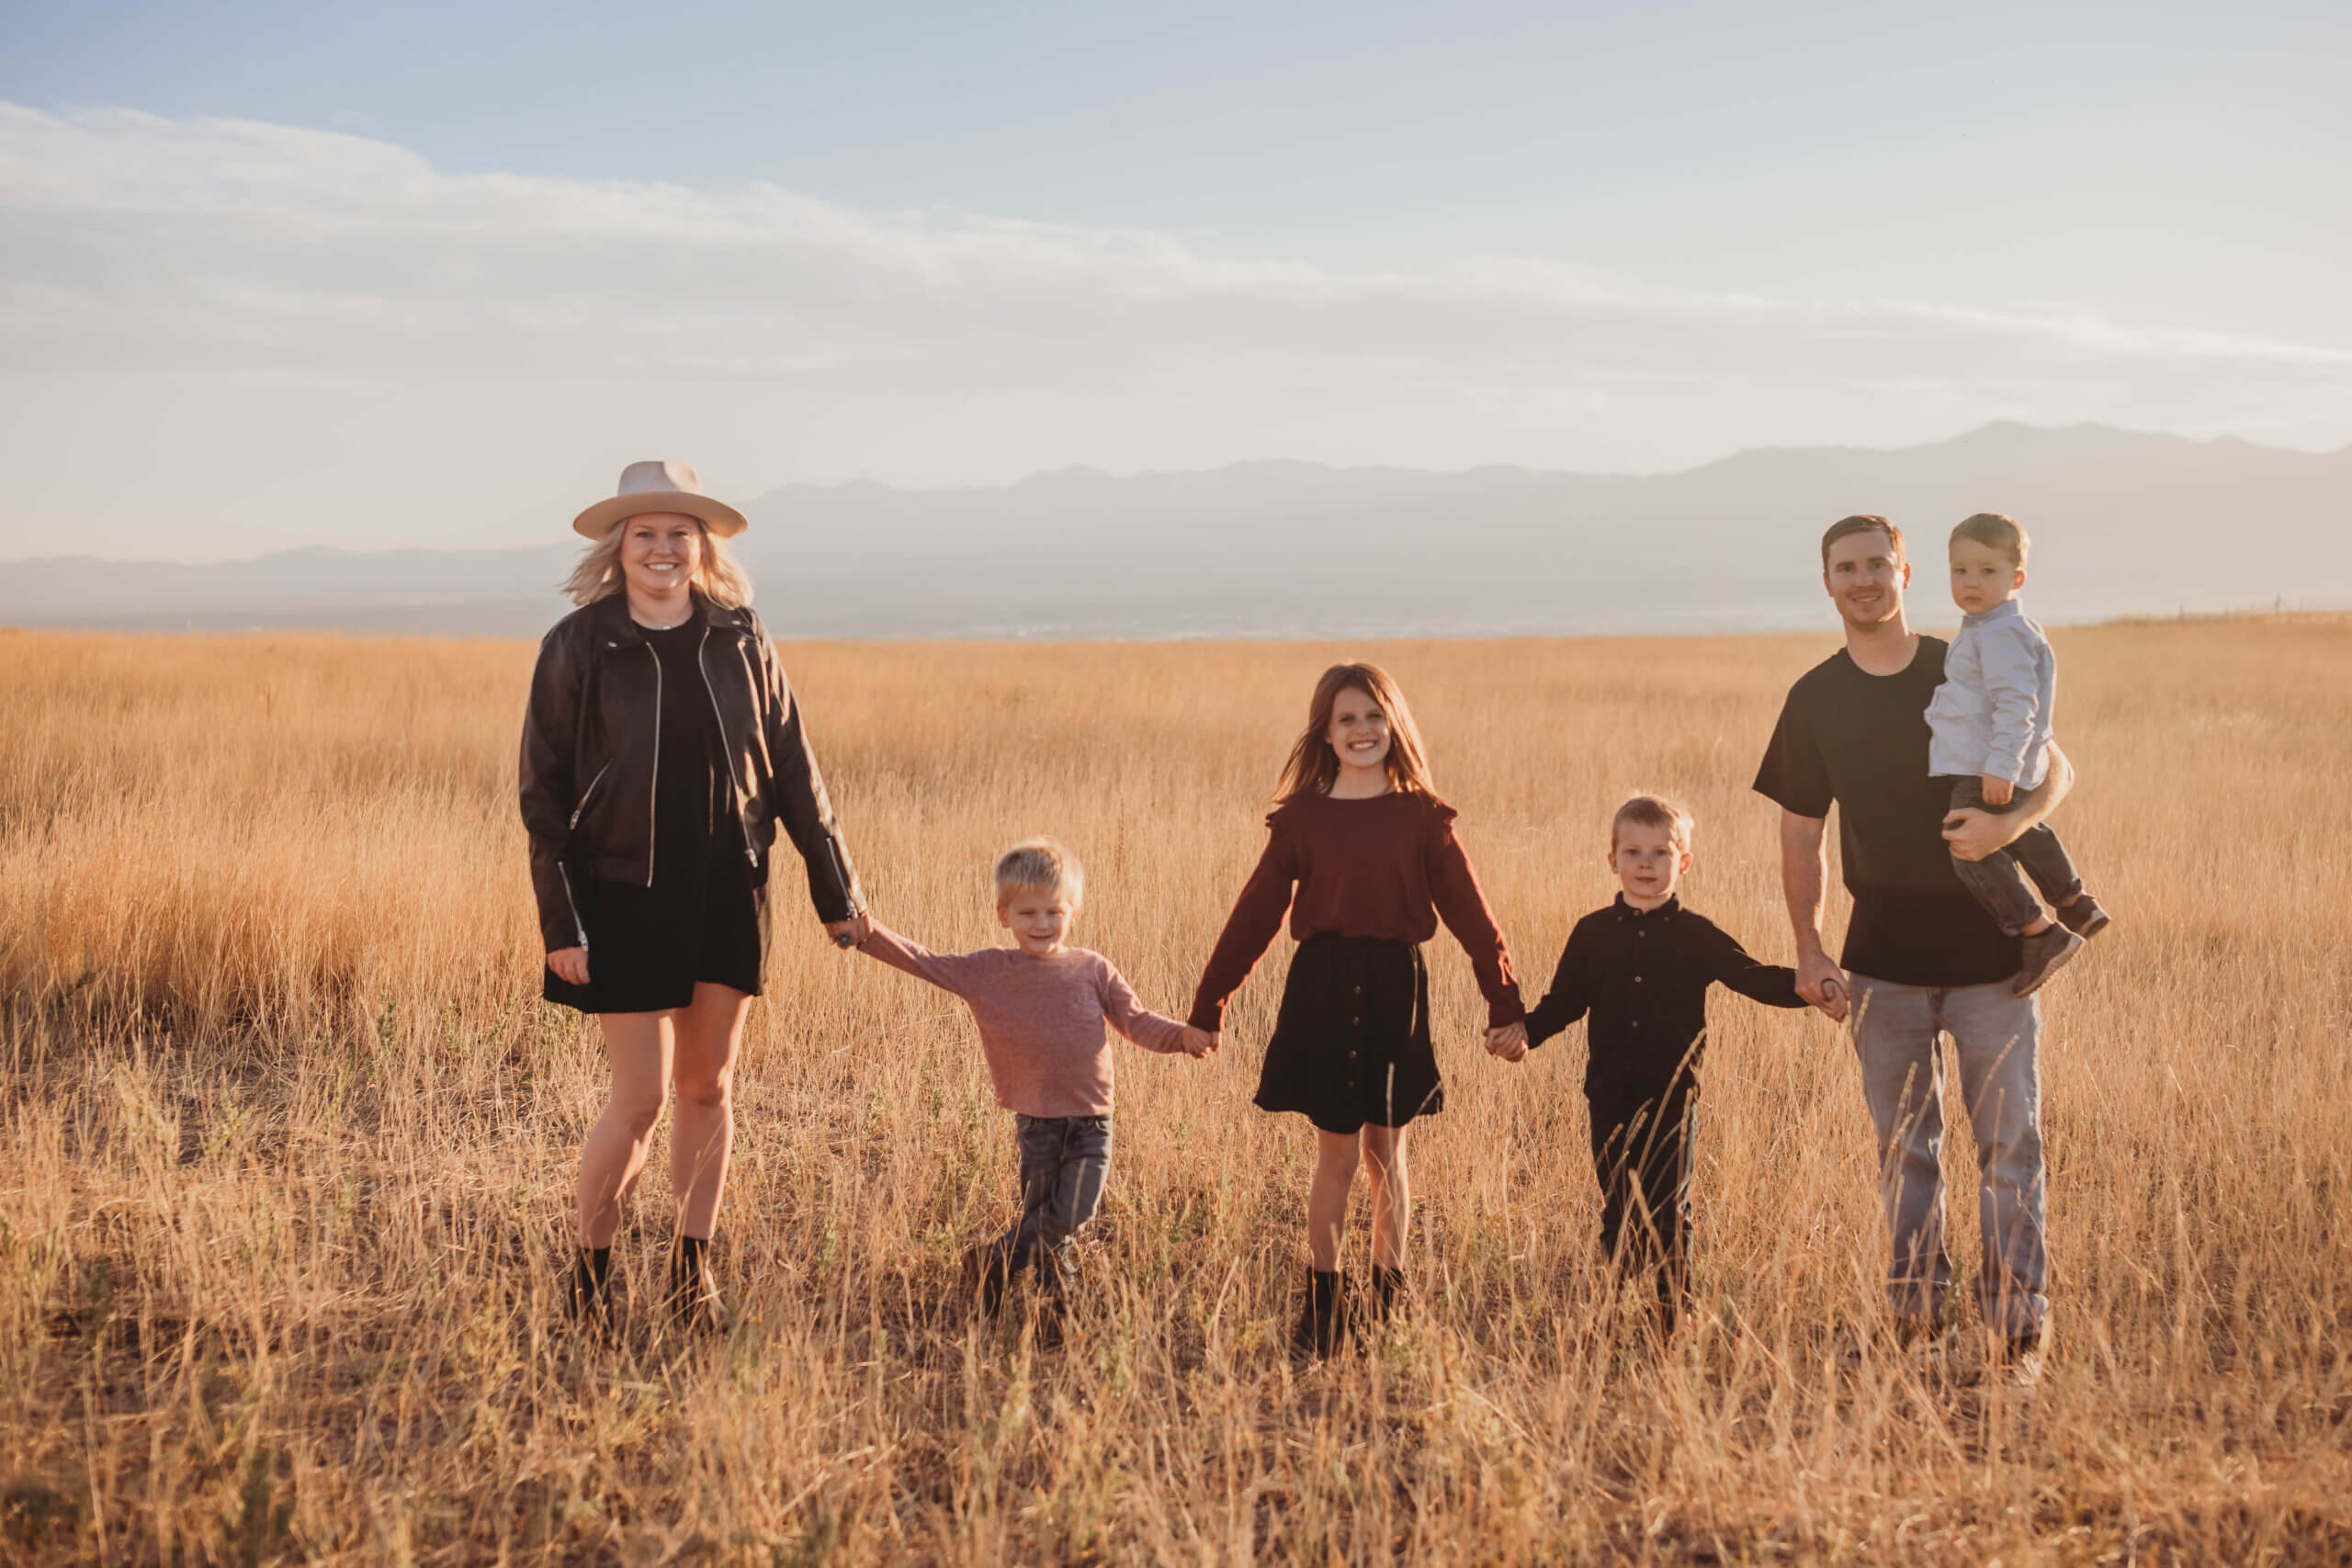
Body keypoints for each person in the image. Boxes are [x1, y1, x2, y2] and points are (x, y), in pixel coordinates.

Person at [520, 460, 869, 1335]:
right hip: (619, 895)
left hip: (727, 886)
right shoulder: (577, 643)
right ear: (619, 547)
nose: (664, 548)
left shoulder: (741, 636)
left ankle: (691, 1269)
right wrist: (560, 920)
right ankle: (592, 1271)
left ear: (702, 547)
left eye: (680, 533)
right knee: (639, 1098)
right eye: (646, 533)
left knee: (709, 1088)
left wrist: (837, 891)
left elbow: (793, 765)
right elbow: (543, 793)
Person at [1753, 514, 2072, 1382]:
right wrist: (1808, 946)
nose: (1862, 580)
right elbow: (1798, 834)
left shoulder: (1959, 660)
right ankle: (1916, 1324)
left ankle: (2017, 1334)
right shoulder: (1814, 697)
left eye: (1876, 564)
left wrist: (2011, 820)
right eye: (1844, 568)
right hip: (1881, 963)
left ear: (1903, 571)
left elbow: (2058, 768)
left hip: (1993, 963)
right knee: (1905, 1150)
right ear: (1827, 582)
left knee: (2011, 1146)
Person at [1186, 663, 1528, 1359]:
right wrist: (1209, 1004)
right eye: (1347, 719)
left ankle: (1390, 1295)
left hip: (1395, 989)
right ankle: (1323, 1304)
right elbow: (1253, 915)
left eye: (1374, 716)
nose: (1362, 730)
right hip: (1322, 985)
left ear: (1395, 724)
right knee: (1336, 1153)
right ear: (1326, 731)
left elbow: (1474, 918)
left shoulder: (1424, 818)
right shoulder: (1303, 817)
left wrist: (1505, 1003)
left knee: (1388, 1152)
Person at [852, 839, 1209, 1314]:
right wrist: (867, 934)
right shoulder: (988, 971)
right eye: (1027, 913)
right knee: (1044, 1221)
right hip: (1037, 1123)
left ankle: (994, 1260)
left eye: (1054, 912)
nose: (1041, 924)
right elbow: (924, 961)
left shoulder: (1093, 970)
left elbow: (1137, 1021)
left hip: (1091, 1121)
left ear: (1074, 912)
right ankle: (1056, 1309)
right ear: (1004, 915)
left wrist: (1182, 1037)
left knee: (1075, 1210)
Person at [1522, 795, 1804, 1337]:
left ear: (1685, 862)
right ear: (1612, 860)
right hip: (1607, 1094)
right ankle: (1608, 1316)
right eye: (1633, 852)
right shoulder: (1592, 932)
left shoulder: (1696, 934)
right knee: (1618, 1205)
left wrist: (1814, 988)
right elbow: (1564, 1001)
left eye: (1660, 852)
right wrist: (1523, 1034)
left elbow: (1753, 976)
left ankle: (1672, 1318)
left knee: (1669, 1207)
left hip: (1674, 1098)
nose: (1646, 864)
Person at [1928, 512, 2110, 996]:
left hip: (1984, 764)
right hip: (2000, 761)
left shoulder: (1999, 634)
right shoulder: (1992, 628)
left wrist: (2001, 766)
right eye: (1960, 571)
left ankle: (2040, 933)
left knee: (1967, 847)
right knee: (2026, 833)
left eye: (1988, 571)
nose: (1971, 582)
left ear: (2017, 578)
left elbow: (2017, 704)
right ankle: (2074, 901)